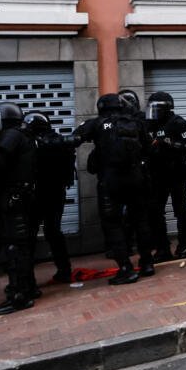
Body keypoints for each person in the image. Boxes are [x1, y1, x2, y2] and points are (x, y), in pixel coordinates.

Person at [74, 94, 155, 284]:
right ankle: (147, 263)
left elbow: (75, 138)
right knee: (141, 221)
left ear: (101, 107)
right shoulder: (136, 123)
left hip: (111, 183)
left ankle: (126, 268)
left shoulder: (97, 123)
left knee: (113, 224)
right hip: (137, 180)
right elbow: (149, 149)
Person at [0, 102, 40, 314]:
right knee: (20, 247)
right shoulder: (22, 135)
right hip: (19, 198)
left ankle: (19, 294)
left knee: (15, 248)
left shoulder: (11, 137)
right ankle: (27, 288)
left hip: (14, 200)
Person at [23, 112, 74, 284]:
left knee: (29, 235)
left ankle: (27, 280)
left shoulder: (31, 144)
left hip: (36, 194)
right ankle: (64, 270)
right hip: (56, 193)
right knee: (54, 232)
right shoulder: (59, 141)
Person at [146, 91, 186, 261]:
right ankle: (162, 249)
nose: (152, 112)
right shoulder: (149, 125)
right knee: (155, 211)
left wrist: (170, 144)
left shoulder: (178, 123)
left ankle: (184, 246)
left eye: (156, 108)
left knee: (180, 210)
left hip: (176, 174)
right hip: (157, 175)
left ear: (166, 108)